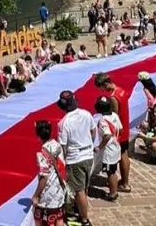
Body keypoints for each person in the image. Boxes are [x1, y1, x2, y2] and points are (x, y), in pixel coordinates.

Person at [56, 91, 95, 226]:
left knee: (79, 190)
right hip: (88, 155)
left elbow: (63, 147)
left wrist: (64, 163)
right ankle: (81, 209)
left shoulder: (63, 123)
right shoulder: (86, 114)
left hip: (75, 158)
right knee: (84, 186)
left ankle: (84, 219)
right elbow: (93, 131)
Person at [93, 72, 132, 194]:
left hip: (117, 132)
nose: (102, 90)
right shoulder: (121, 90)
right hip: (124, 128)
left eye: (102, 88)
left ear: (105, 84)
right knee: (124, 154)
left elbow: (114, 115)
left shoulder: (114, 97)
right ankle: (124, 181)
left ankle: (122, 183)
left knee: (117, 159)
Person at [31, 120, 67, 226]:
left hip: (48, 191)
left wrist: (36, 195)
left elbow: (44, 177)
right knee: (59, 217)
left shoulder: (42, 153)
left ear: (38, 135)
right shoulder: (57, 145)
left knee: (40, 219)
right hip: (60, 186)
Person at [94, 97, 122, 201]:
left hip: (109, 150)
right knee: (113, 170)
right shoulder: (114, 115)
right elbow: (121, 128)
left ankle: (113, 193)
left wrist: (99, 147)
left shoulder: (102, 120)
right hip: (116, 146)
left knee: (110, 172)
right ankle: (113, 190)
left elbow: (107, 135)